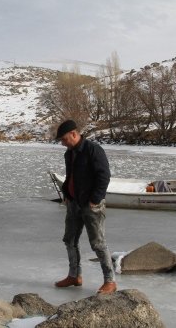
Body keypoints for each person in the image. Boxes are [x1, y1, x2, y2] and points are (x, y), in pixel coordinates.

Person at [54, 119, 117, 294]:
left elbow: (104, 175)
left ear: (74, 134)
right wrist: (67, 193)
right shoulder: (69, 153)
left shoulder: (93, 150)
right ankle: (74, 276)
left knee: (98, 243)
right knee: (70, 240)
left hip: (91, 205)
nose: (62, 143)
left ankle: (110, 281)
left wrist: (95, 199)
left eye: (64, 139)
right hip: (74, 203)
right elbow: (71, 176)